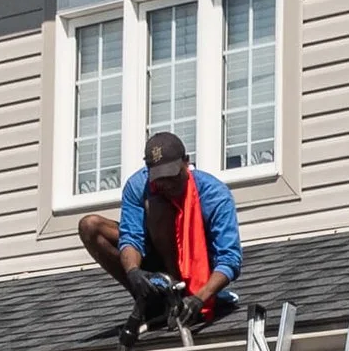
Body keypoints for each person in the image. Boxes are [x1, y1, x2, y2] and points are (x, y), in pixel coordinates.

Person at [76, 131, 242, 332]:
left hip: (199, 272)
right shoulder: (139, 185)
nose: (166, 184)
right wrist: (133, 272)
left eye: (172, 175)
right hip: (155, 259)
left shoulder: (216, 196)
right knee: (90, 226)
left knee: (159, 206)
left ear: (186, 162)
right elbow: (131, 237)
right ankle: (153, 297)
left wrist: (200, 297)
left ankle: (181, 297)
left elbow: (229, 259)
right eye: (159, 178)